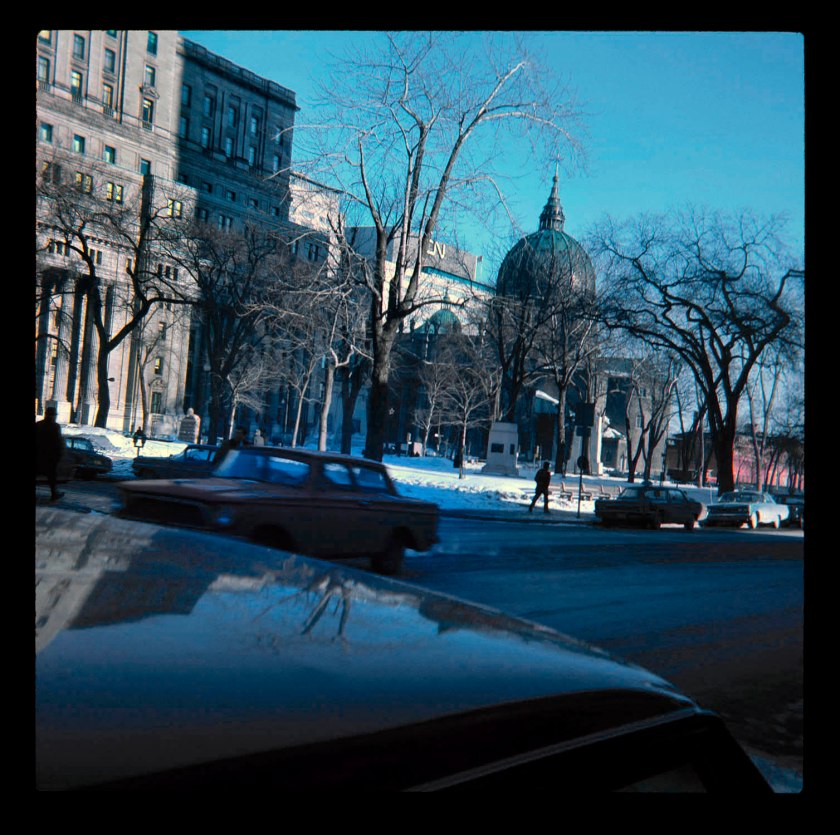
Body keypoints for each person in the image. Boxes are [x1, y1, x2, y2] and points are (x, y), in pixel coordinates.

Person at [35, 406, 65, 501]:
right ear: (53, 416)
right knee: (52, 476)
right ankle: (54, 494)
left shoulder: (38, 425)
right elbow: (58, 441)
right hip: (50, 456)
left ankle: (54, 493)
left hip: (38, 454)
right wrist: (59, 454)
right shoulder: (55, 426)